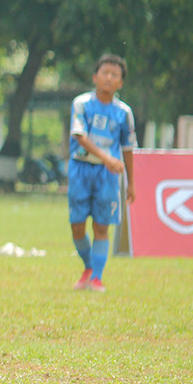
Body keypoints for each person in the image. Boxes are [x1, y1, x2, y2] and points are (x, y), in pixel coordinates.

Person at [68, 53, 136, 293]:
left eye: (114, 75)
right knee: (77, 225)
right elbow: (80, 136)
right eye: (105, 73)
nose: (109, 78)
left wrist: (131, 183)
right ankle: (88, 266)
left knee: (101, 226)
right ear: (95, 77)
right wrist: (106, 157)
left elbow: (128, 149)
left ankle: (96, 277)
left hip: (108, 176)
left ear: (121, 83)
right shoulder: (81, 104)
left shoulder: (124, 112)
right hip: (81, 168)